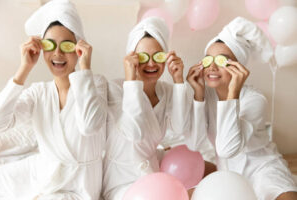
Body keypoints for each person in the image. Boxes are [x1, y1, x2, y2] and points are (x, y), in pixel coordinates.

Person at [0, 0, 107, 199]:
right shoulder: (38, 92)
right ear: (42, 49)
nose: (57, 53)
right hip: (46, 177)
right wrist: (23, 70)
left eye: (66, 45)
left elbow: (89, 125)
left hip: (80, 187)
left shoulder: (95, 83)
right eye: (50, 45)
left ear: (79, 48)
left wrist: (85, 68)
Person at [186, 17, 297, 200]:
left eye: (222, 61)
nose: (212, 66)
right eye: (208, 60)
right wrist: (198, 95)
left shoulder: (255, 100)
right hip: (227, 172)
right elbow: (194, 144)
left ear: (239, 67)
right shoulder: (205, 95)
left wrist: (233, 92)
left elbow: (227, 148)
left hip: (262, 169)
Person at [102, 17, 193, 200]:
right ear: (131, 58)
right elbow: (133, 132)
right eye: (143, 57)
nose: (151, 64)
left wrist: (178, 81)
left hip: (151, 175)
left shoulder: (166, 91)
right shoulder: (116, 89)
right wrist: (132, 81)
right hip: (121, 180)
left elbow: (180, 128)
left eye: (158, 56)